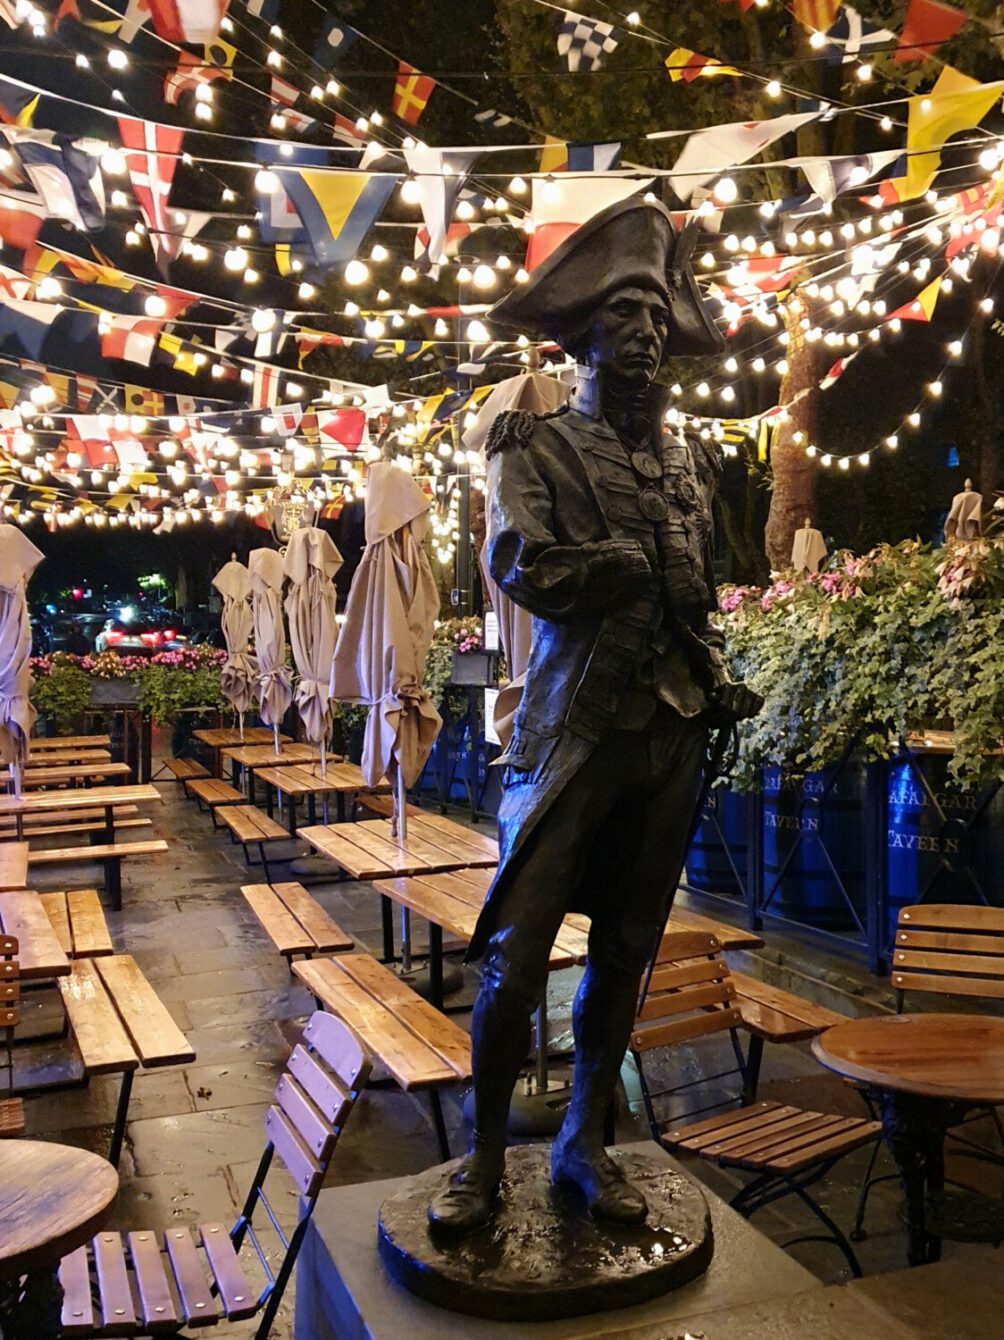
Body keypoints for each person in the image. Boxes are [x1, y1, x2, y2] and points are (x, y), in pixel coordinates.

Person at [428, 197, 761, 1236]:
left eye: (658, 314)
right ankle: (481, 1160)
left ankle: (583, 1146)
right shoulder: (536, 447)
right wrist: (599, 569)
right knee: (516, 958)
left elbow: (703, 588)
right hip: (572, 736)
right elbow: (518, 561)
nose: (648, 331)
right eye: (626, 311)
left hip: (667, 739)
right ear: (581, 335)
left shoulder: (691, 465)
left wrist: (714, 672)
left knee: (623, 951)